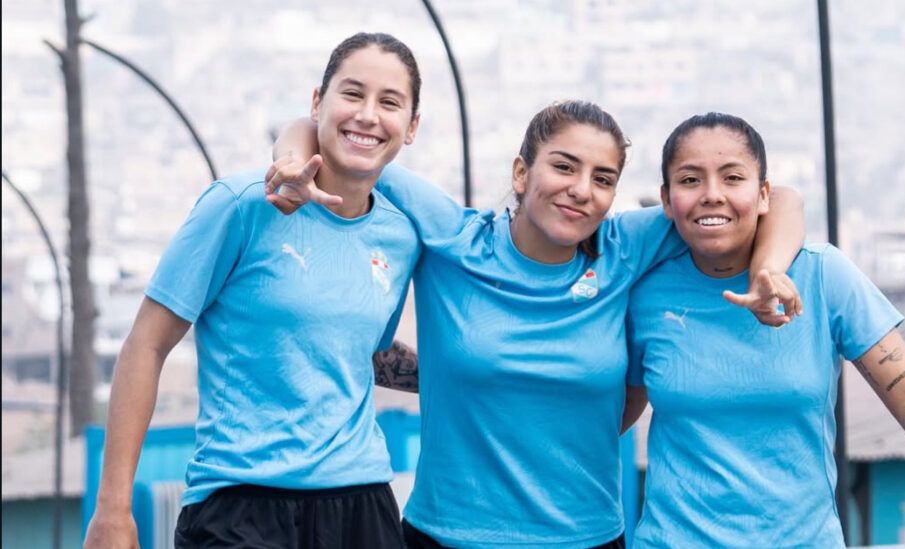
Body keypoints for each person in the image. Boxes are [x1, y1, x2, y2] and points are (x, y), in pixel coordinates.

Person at [267, 101, 806, 548]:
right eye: (564, 167)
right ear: (522, 172)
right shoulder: (454, 238)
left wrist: (767, 270)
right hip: (445, 537)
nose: (580, 189)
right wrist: (289, 163)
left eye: (603, 179)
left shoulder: (625, 247)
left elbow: (776, 198)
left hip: (588, 538)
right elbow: (321, 135)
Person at [84, 32, 425, 549]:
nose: (368, 115)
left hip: (362, 506)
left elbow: (359, 352)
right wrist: (112, 512)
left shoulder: (401, 236)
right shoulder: (239, 206)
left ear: (412, 126)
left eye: (390, 102)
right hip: (240, 507)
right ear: (318, 102)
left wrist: (471, 375)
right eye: (352, 94)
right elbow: (147, 345)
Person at [624, 112, 905, 547]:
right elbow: (606, 419)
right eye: (690, 180)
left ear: (763, 196)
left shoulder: (823, 276)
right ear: (666, 199)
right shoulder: (645, 295)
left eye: (732, 178)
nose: (711, 195)